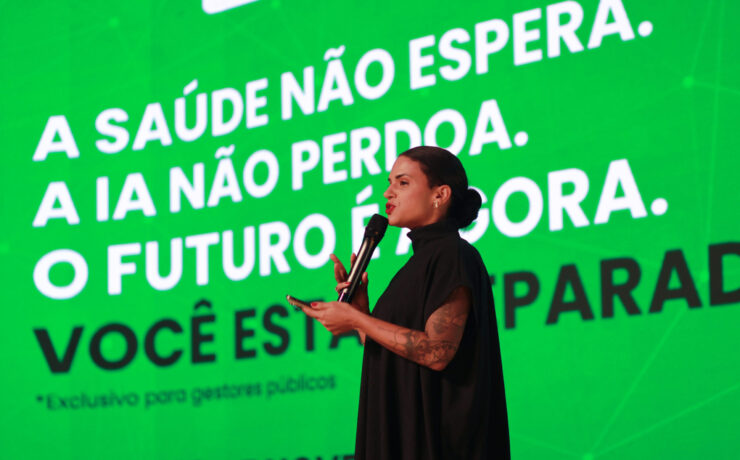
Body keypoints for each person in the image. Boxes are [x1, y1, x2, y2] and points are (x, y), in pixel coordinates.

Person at [300, 146, 510, 459]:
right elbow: (395, 353)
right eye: (389, 183)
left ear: (439, 195)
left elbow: (437, 352)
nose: (388, 192)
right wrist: (360, 312)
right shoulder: (416, 265)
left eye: (403, 182)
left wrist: (357, 319)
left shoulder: (453, 255)